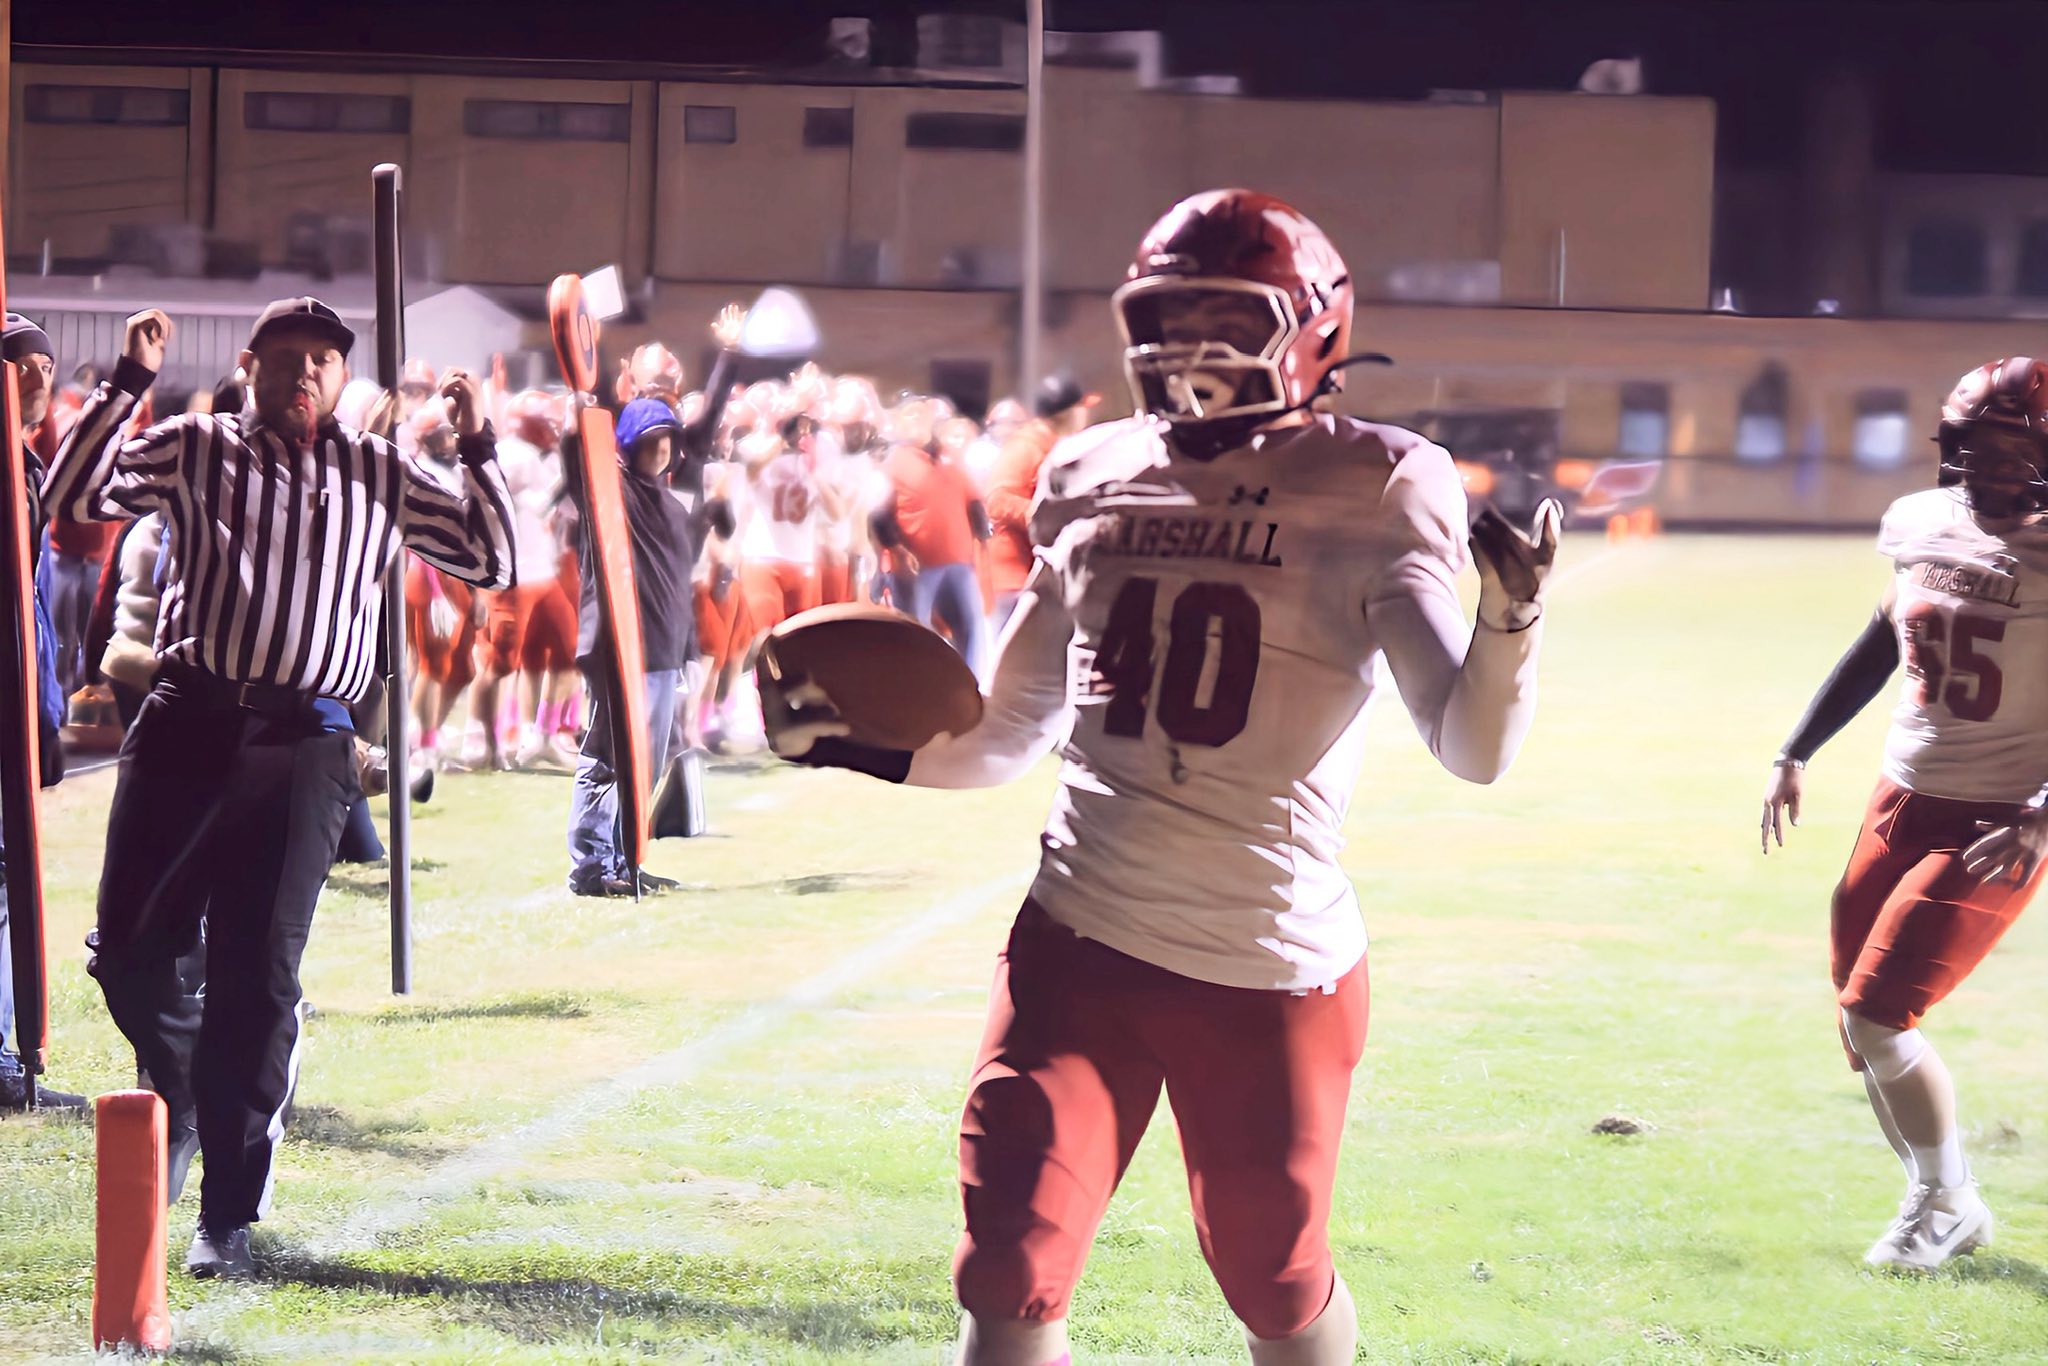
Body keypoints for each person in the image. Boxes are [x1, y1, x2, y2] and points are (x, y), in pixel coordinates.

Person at [763, 189, 1557, 1364]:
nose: (1187, 354)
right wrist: (855, 743)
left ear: (1312, 329)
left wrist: (1510, 627)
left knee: (1274, 1286)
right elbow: (1002, 735)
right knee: (1005, 1270)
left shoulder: (1379, 481)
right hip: (1077, 932)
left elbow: (1471, 748)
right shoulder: (1089, 471)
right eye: (1167, 320)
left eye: (1222, 322)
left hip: (1261, 961)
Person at [42, 298, 514, 1277]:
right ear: (251, 364)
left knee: (256, 977)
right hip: (189, 712)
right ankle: (179, 1091)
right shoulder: (196, 444)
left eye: (326, 361)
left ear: (345, 381)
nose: (306, 372)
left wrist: (478, 448)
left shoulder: (378, 470)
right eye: (289, 356)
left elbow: (492, 557)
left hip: (305, 737)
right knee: (128, 948)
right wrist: (127, 382)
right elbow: (73, 494)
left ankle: (227, 1212)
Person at [1761, 356, 2048, 1273]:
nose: (2000, 469)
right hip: (1902, 795)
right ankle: (1946, 1191)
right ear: (1953, 447)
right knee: (1859, 1022)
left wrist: (2045, 810)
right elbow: (1884, 640)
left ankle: (1942, 1201)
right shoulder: (1920, 521)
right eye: (1983, 447)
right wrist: (1796, 747)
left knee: (1883, 1013)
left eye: (2022, 449)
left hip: (1998, 820)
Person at [564, 398, 702, 897]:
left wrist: (690, 649)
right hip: (618, 650)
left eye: (668, 441)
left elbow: (678, 585)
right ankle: (591, 866)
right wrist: (586, 399)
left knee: (647, 763)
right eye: (651, 440)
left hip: (663, 651)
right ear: (628, 444)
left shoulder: (671, 504)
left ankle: (626, 859)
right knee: (607, 759)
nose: (662, 450)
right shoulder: (610, 496)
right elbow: (577, 456)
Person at [1, 312, 85, 1113]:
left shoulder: (29, 467)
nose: (41, 380)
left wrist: (48, 710)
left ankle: (6, 1061)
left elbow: (34, 613)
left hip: (22, 698)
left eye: (46, 367)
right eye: (26, 367)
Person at [876, 402, 993, 680]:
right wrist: (899, 549)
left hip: (959, 562)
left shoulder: (950, 457)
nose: (919, 420)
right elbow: (879, 514)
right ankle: (918, 687)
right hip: (918, 566)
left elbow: (973, 499)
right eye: (912, 414)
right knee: (917, 631)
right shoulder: (893, 462)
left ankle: (970, 686)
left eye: (924, 415)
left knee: (970, 627)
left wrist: (982, 533)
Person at [986, 376, 1097, 632]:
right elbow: (996, 500)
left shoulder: (1057, 445)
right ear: (1069, 412)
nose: (1086, 416)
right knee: (1013, 666)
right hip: (1014, 577)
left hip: (1038, 576)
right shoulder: (1027, 445)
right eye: (1083, 408)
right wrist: (1047, 517)